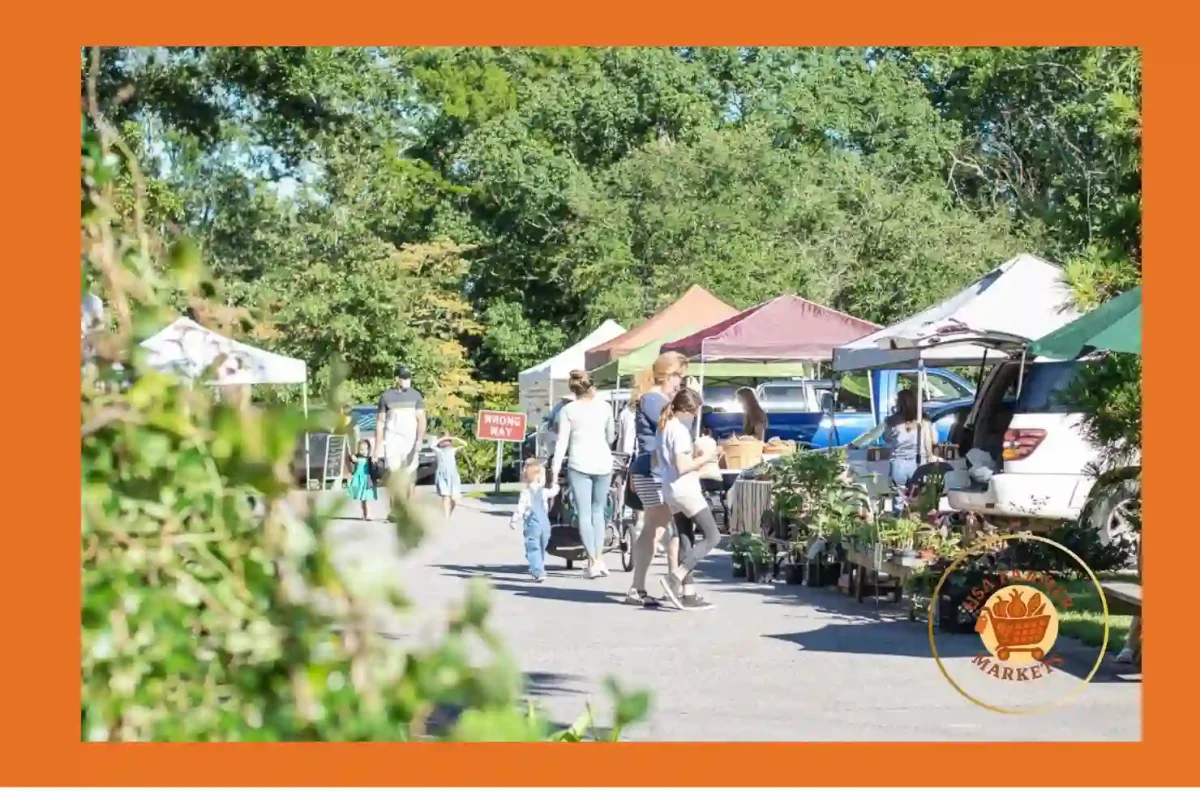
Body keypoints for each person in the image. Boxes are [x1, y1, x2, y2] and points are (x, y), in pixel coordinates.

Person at [626, 351, 689, 607]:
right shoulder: (654, 400)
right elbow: (675, 427)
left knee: (661, 528)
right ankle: (656, 586)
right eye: (679, 378)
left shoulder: (653, 398)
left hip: (652, 469)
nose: (680, 384)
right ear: (668, 374)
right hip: (653, 470)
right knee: (663, 528)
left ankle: (653, 585)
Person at [656, 388, 722, 611]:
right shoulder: (680, 431)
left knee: (686, 539)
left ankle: (689, 593)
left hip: (670, 488)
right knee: (713, 536)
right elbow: (683, 466)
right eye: (694, 413)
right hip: (685, 490)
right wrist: (706, 458)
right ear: (686, 410)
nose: (694, 417)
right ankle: (676, 577)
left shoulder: (664, 427)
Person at [550, 369, 615, 579]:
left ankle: (594, 561)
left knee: (584, 513)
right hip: (603, 462)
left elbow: (562, 443)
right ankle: (600, 560)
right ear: (592, 388)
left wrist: (555, 471)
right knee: (599, 511)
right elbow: (610, 436)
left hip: (579, 463)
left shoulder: (568, 410)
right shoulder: (605, 407)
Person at [374, 365, 427, 514]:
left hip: (410, 441)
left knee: (410, 475)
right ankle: (395, 509)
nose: (407, 381)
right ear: (397, 379)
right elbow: (380, 422)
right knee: (394, 475)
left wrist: (419, 440)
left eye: (408, 378)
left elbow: (421, 419)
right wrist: (377, 447)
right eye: (404, 378)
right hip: (392, 440)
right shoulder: (386, 397)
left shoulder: (416, 396)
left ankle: (408, 510)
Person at [510, 458, 560, 582]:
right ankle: (539, 568)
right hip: (544, 524)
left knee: (533, 547)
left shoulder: (526, 492)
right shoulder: (543, 492)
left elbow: (521, 508)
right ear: (539, 478)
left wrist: (514, 519)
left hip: (532, 524)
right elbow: (554, 492)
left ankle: (538, 570)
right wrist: (556, 483)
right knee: (541, 546)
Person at [885, 388, 936, 498]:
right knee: (918, 496)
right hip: (918, 461)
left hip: (899, 462)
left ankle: (898, 514)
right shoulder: (923, 420)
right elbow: (929, 439)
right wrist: (930, 455)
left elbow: (887, 438)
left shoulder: (892, 421)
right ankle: (915, 514)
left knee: (899, 496)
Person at [345, 439, 381, 521]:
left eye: (366, 449)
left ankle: (367, 513)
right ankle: (364, 513)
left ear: (369, 449)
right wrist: (351, 457)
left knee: (366, 498)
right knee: (362, 498)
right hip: (359, 480)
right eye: (361, 449)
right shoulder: (357, 457)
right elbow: (350, 460)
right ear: (358, 449)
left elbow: (374, 468)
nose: (364, 451)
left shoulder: (369, 459)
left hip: (367, 480)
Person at [434, 434, 466, 520]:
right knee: (446, 496)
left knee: (454, 498)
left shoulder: (452, 450)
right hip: (442, 475)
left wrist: (455, 438)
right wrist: (442, 438)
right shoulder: (438, 451)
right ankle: (446, 516)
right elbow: (431, 445)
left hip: (453, 475)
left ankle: (449, 512)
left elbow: (465, 444)